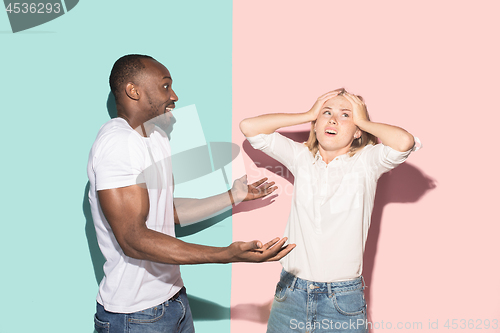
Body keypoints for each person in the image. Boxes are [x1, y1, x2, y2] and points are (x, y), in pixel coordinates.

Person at [87, 54, 295, 333]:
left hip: (173, 300)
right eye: (164, 86)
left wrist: (231, 196)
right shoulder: (118, 144)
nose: (173, 95)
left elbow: (166, 211)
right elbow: (132, 239)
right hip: (135, 316)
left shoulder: (157, 138)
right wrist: (226, 254)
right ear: (133, 91)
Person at [240, 88, 420, 333]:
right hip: (290, 294)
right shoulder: (301, 157)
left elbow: (404, 142)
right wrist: (308, 113)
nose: (334, 119)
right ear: (315, 125)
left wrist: (364, 120)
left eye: (346, 115)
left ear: (358, 132)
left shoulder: (367, 162)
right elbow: (249, 126)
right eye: (327, 113)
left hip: (342, 300)